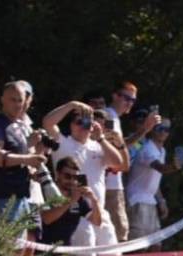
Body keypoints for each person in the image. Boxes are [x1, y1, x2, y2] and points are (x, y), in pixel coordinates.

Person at [44, 99, 125, 246]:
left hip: (98, 211)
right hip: (73, 212)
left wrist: (100, 138)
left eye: (86, 123)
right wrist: (71, 105)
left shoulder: (98, 146)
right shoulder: (63, 143)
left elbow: (118, 162)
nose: (82, 126)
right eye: (78, 122)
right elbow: (48, 123)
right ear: (71, 125)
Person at [100, 81, 160, 242]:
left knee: (117, 235)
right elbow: (116, 149)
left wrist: (145, 129)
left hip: (113, 184)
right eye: (127, 98)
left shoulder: (115, 119)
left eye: (133, 100)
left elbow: (121, 146)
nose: (130, 104)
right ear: (115, 95)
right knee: (119, 236)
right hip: (109, 185)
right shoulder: (108, 116)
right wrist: (144, 129)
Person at [0, 80, 46, 224]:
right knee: (6, 245)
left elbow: (22, 156)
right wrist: (26, 159)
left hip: (22, 195)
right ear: (2, 99)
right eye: (13, 100)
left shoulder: (20, 127)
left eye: (20, 100)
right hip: (2, 196)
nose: (17, 104)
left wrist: (35, 154)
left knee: (23, 246)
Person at [126, 118, 182, 247]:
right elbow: (161, 168)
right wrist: (174, 166)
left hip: (150, 201)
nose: (163, 132)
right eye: (160, 128)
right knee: (137, 246)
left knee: (156, 246)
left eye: (166, 129)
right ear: (153, 130)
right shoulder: (147, 149)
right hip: (137, 200)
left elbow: (155, 180)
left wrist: (161, 201)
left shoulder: (162, 151)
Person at [38, 156, 99, 248]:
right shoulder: (44, 191)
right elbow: (46, 219)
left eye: (75, 177)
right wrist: (70, 201)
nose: (71, 180)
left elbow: (97, 222)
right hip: (43, 250)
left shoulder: (77, 197)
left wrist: (94, 200)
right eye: (67, 176)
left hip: (65, 251)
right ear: (58, 174)